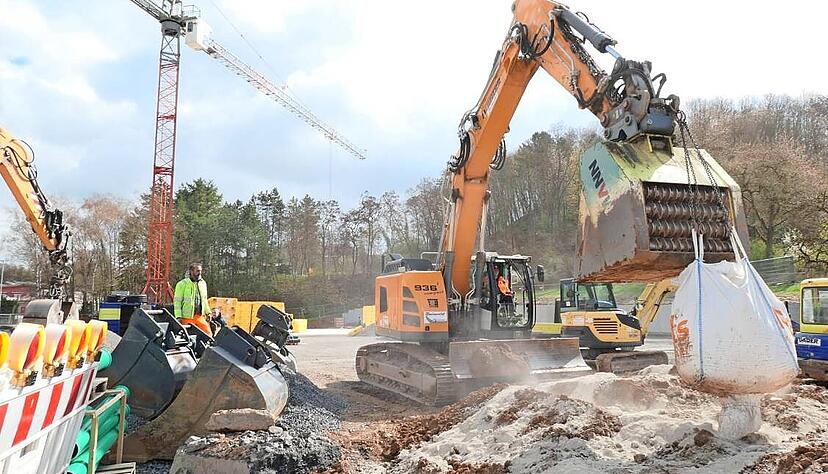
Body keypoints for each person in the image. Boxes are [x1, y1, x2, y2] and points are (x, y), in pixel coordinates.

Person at [174, 262, 213, 336]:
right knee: (188, 338)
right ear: (191, 271)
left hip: (199, 316)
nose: (200, 273)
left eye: (200, 271)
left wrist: (208, 312)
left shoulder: (203, 283)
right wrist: (178, 316)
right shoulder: (182, 284)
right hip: (187, 317)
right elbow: (177, 302)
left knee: (208, 335)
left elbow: (204, 300)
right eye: (197, 271)